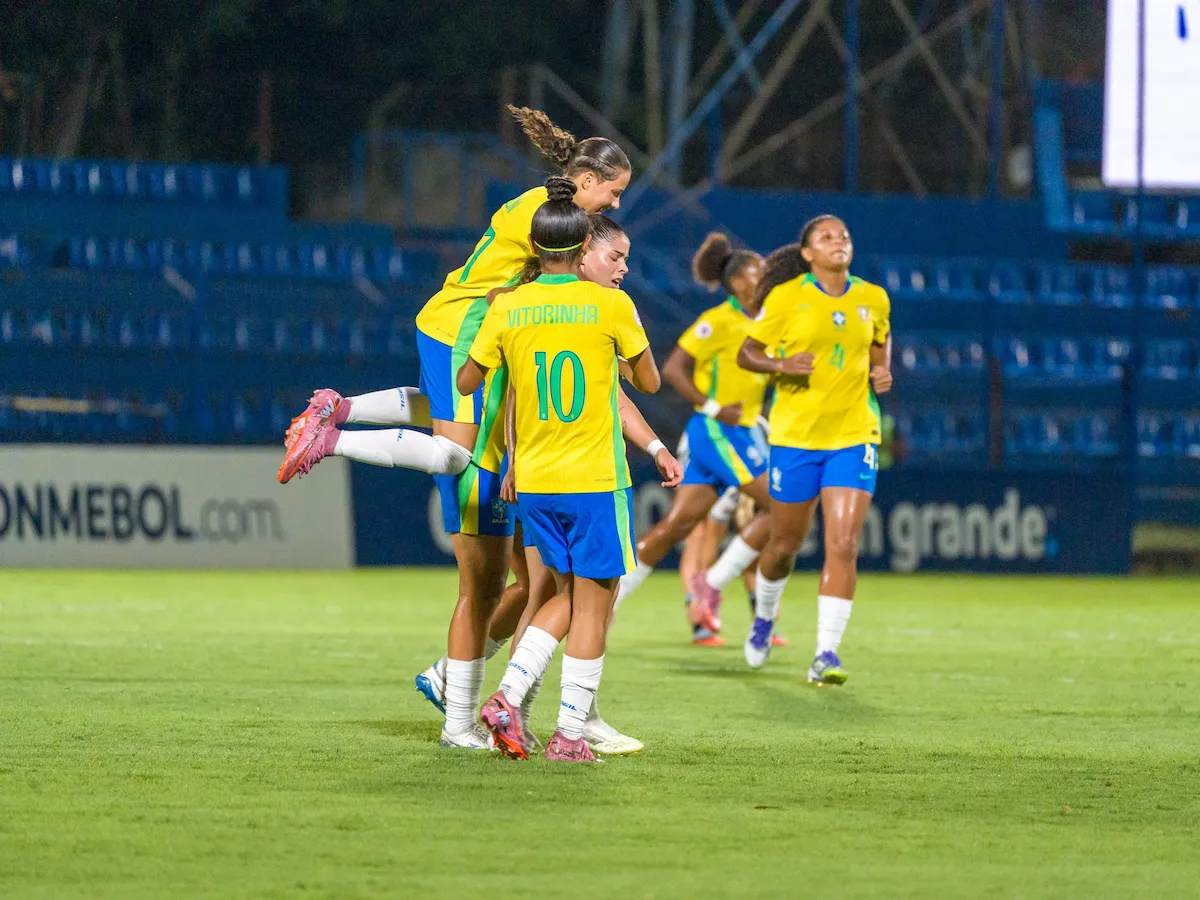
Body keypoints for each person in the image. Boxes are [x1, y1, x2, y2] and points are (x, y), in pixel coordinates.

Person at [276, 107, 632, 750]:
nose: (615, 202)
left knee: (520, 569)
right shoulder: (549, 219)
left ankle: (343, 409)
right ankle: (332, 437)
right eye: (613, 190)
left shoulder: (546, 208)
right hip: (462, 324)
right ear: (586, 179)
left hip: (458, 328)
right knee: (454, 452)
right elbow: (520, 299)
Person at [414, 215, 681, 756]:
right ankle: (556, 725)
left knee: (553, 593)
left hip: (533, 479)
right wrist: (617, 351)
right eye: (617, 257)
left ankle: (516, 705)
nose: (624, 268)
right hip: (595, 477)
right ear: (583, 250)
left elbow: (470, 380)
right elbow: (650, 382)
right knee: (593, 602)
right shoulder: (610, 308)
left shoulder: (510, 305)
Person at [735, 215, 893, 682]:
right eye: (826, 237)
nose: (838, 241)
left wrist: (880, 371)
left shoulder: (873, 297)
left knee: (843, 541)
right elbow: (747, 352)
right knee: (784, 545)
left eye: (844, 234)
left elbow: (879, 345)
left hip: (854, 434)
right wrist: (781, 362)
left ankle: (826, 654)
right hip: (796, 437)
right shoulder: (787, 297)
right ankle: (764, 618)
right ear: (807, 253)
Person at [612, 233, 773, 635]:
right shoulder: (717, 321)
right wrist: (716, 406)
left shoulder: (769, 320)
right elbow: (672, 370)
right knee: (786, 505)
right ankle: (712, 583)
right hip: (719, 431)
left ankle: (608, 599)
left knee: (676, 528)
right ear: (737, 283)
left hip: (738, 433)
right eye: (759, 274)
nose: (766, 280)